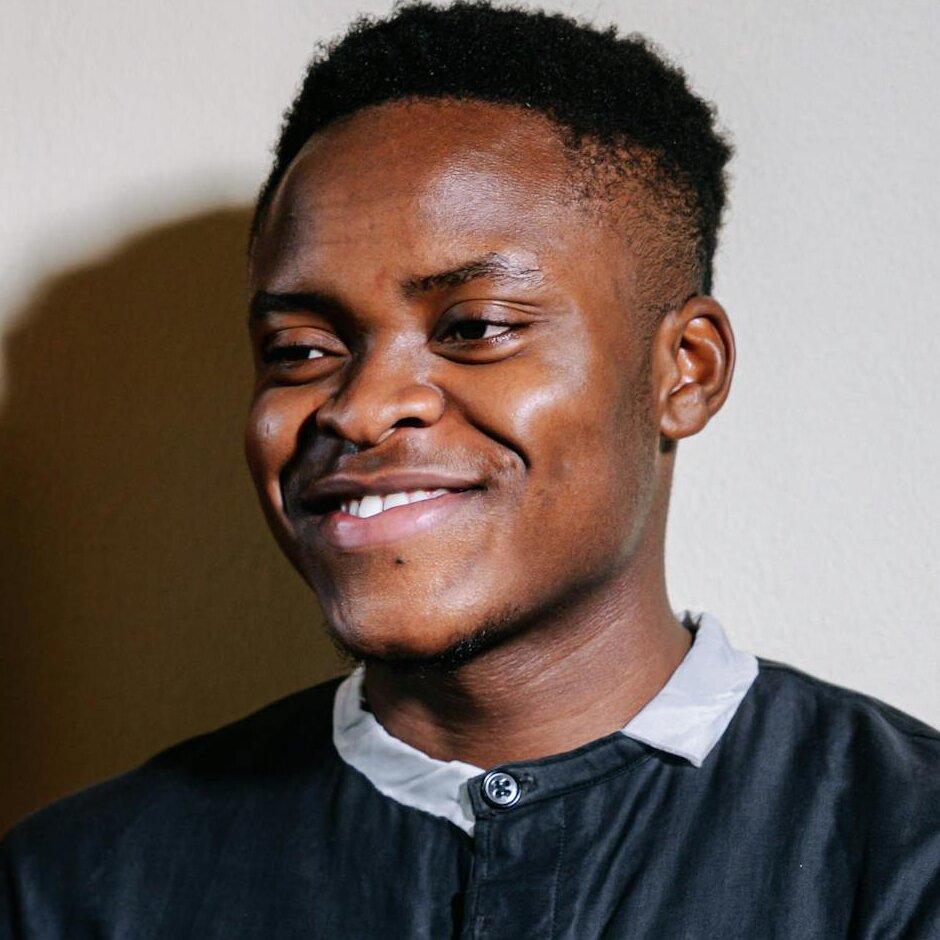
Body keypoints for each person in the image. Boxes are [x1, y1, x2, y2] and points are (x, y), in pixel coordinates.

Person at [2, 2, 939, 936]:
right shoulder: (72, 893)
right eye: (299, 349)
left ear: (684, 371)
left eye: (476, 328)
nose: (362, 408)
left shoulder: (904, 855)